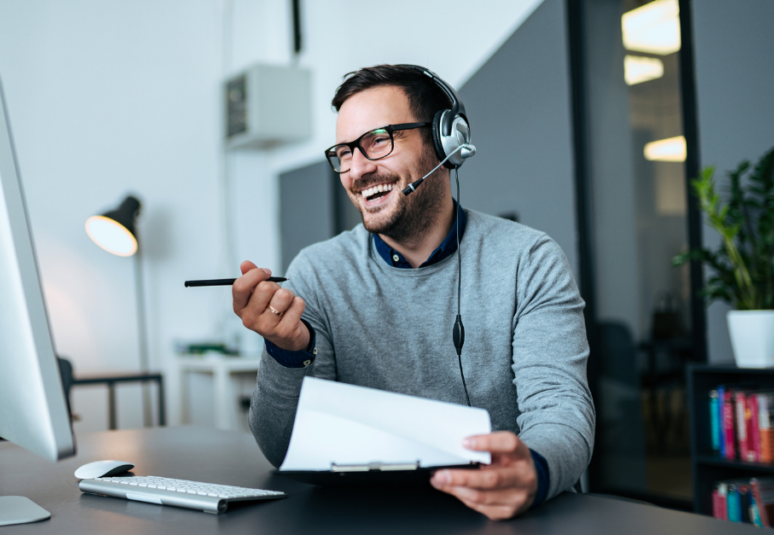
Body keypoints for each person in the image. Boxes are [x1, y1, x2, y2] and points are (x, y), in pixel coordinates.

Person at [232, 64, 594, 520]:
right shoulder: (316, 272)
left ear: (446, 143)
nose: (357, 169)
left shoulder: (529, 260)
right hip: (367, 520)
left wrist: (533, 471)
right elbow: (284, 449)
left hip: (499, 515)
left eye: (378, 140)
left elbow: (561, 411)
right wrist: (288, 353)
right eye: (344, 152)